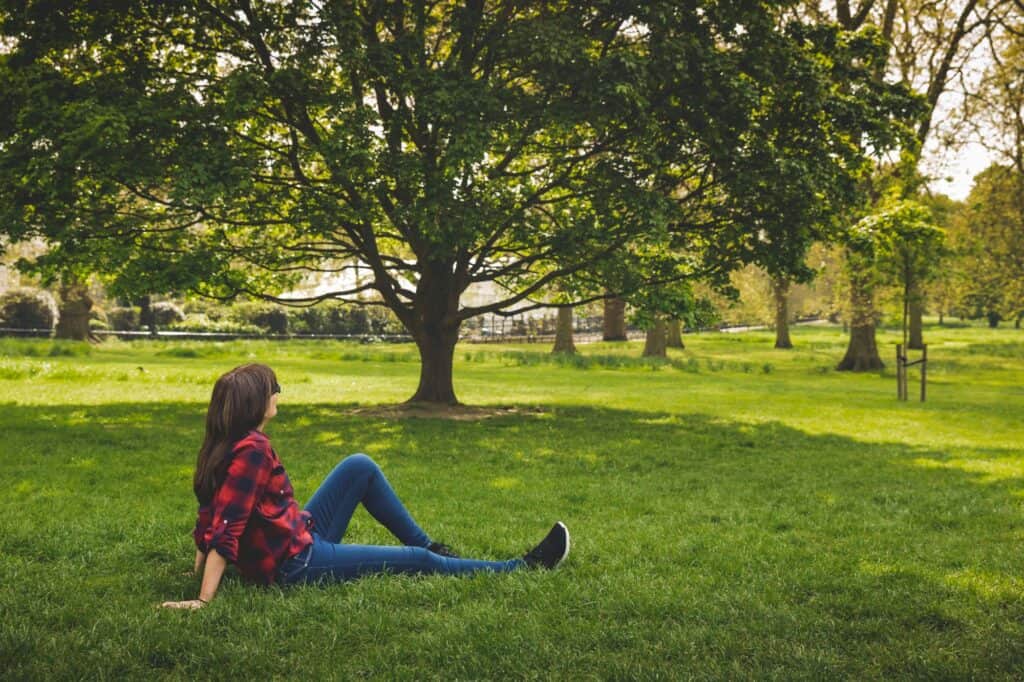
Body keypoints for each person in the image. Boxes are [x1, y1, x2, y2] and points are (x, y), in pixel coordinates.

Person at [161, 363, 569, 609]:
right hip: (294, 563)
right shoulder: (252, 450)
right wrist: (202, 598)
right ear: (256, 402)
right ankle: (519, 566)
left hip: (294, 533)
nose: (278, 395)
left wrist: (196, 570)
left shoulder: (223, 444)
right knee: (415, 563)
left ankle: (432, 546)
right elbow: (226, 523)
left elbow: (209, 515)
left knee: (359, 466)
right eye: (274, 389)